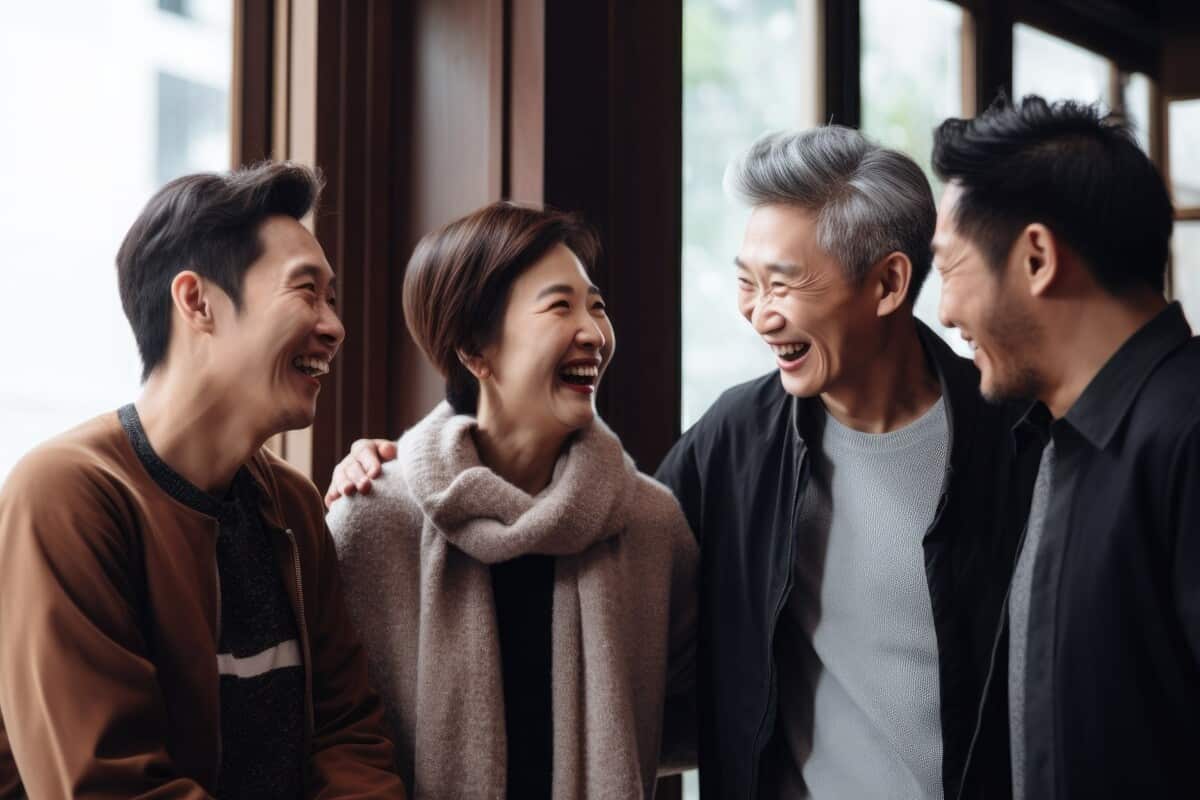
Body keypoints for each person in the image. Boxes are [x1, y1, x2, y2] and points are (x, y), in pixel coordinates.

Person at [327, 129, 1039, 799]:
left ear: (887, 285)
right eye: (746, 283)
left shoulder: (1022, 443)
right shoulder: (735, 442)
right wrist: (400, 466)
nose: (758, 315)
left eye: (782, 285)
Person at [0, 162, 405, 798]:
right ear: (197, 301)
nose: (334, 324)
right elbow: (106, 785)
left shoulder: (296, 505)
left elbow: (350, 732)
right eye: (305, 290)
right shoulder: (63, 496)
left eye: (332, 297)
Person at [324, 201, 697, 799]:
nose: (594, 333)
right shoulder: (374, 517)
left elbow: (694, 715)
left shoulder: (650, 524)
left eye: (596, 306)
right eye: (560, 306)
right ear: (475, 350)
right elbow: (326, 734)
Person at [932, 95, 1199, 798]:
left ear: (1037, 257)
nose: (945, 311)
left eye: (948, 267)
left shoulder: (1186, 436)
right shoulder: (1057, 439)